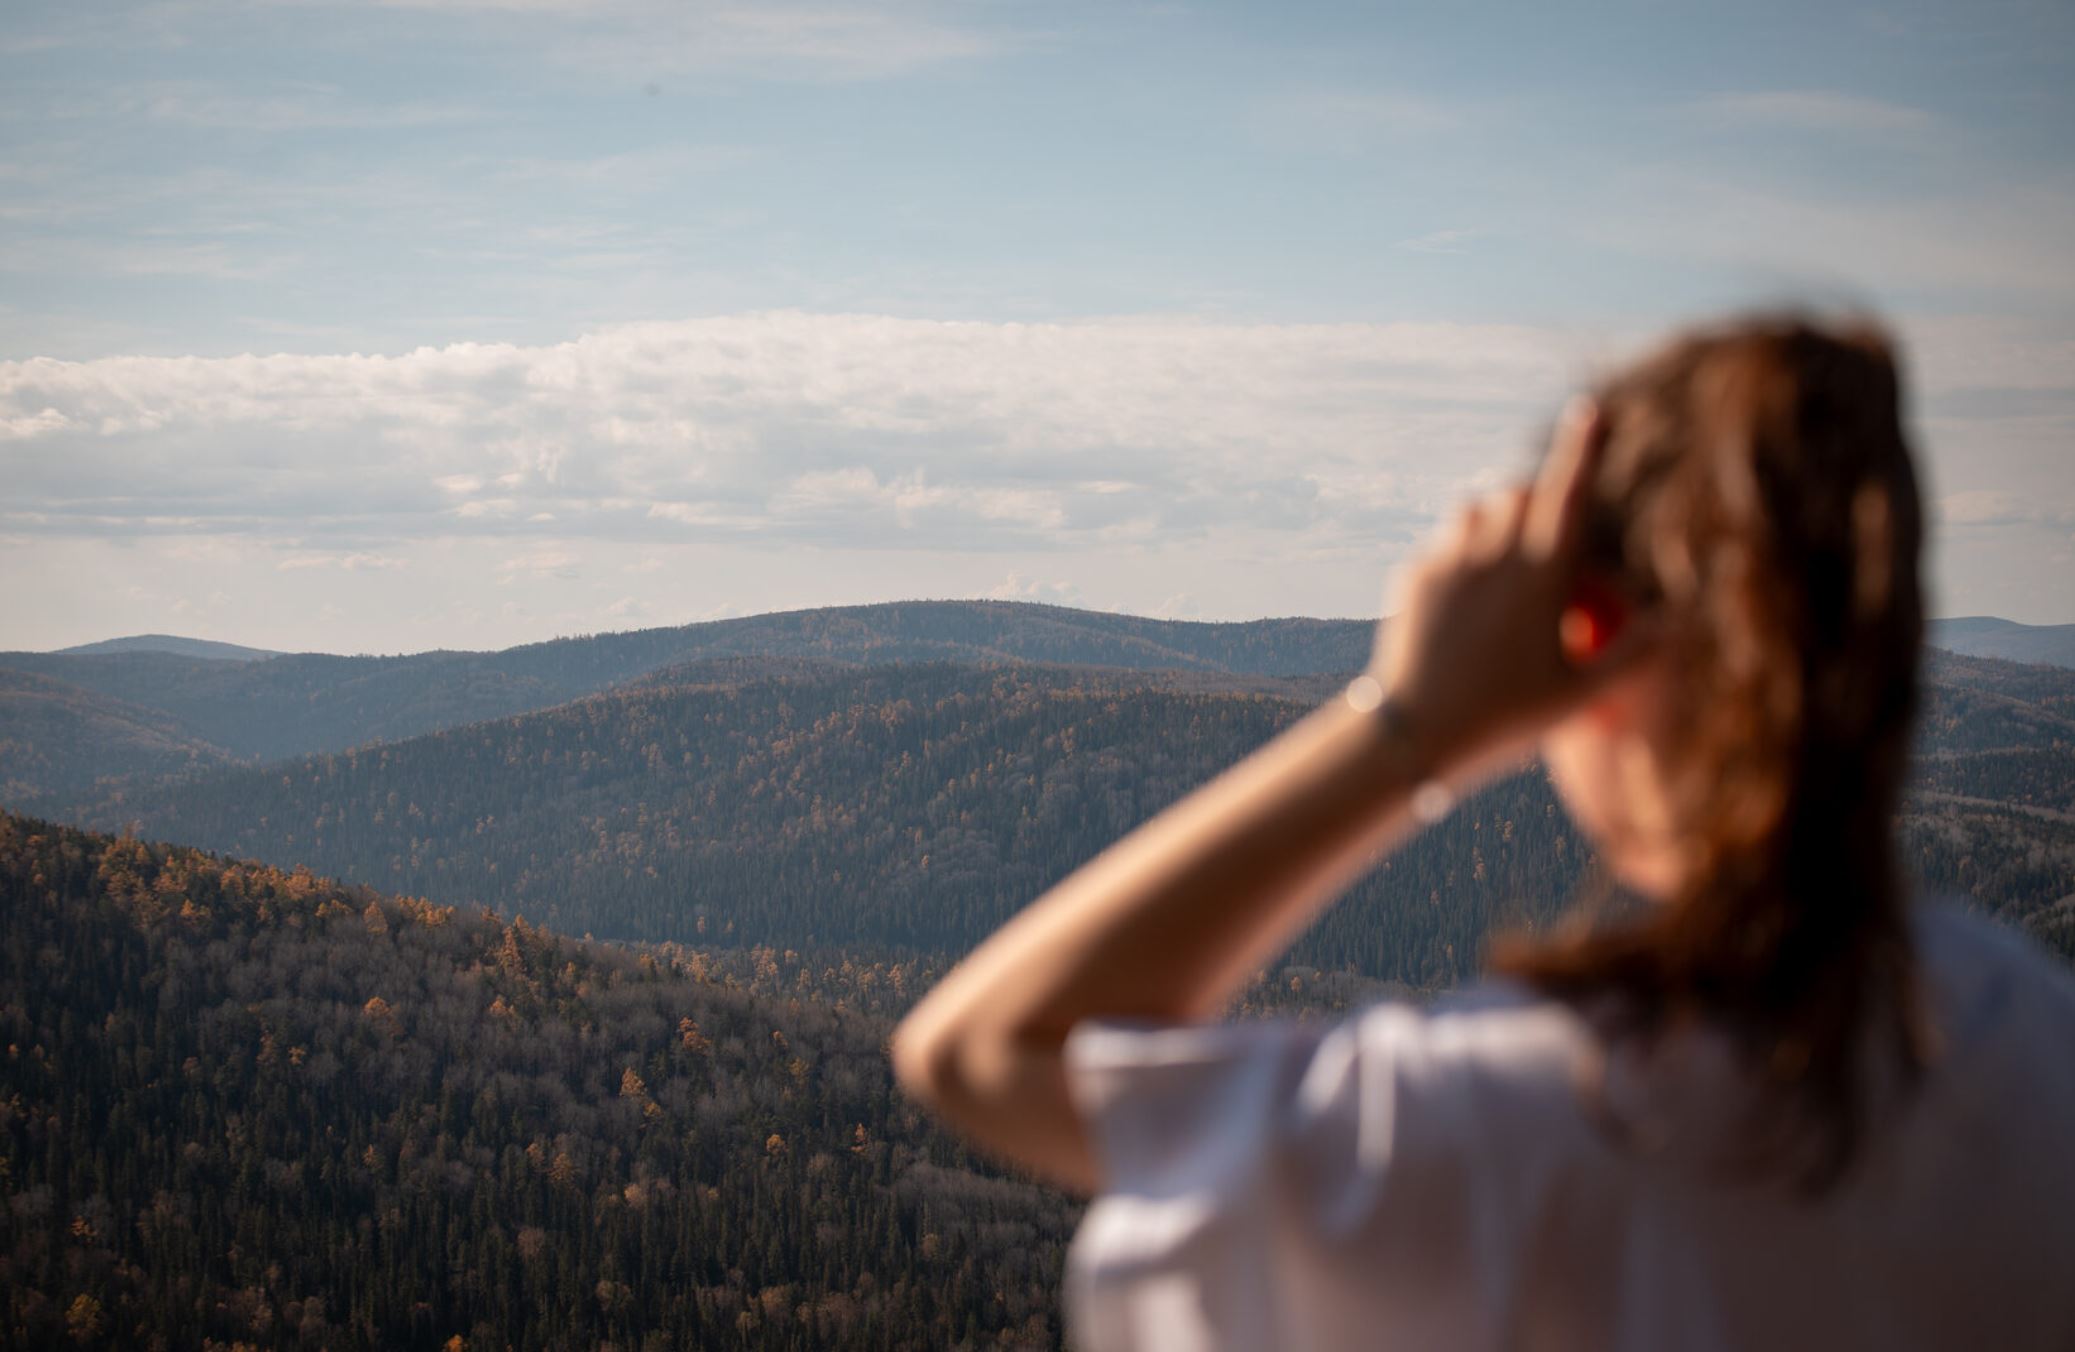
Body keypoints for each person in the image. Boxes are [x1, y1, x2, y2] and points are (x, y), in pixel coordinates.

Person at [890, 313, 2075, 1350]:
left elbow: (981, 1049)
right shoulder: (2027, 1035)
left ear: (1592, 631)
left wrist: (1412, 722)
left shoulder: (1533, 1110)